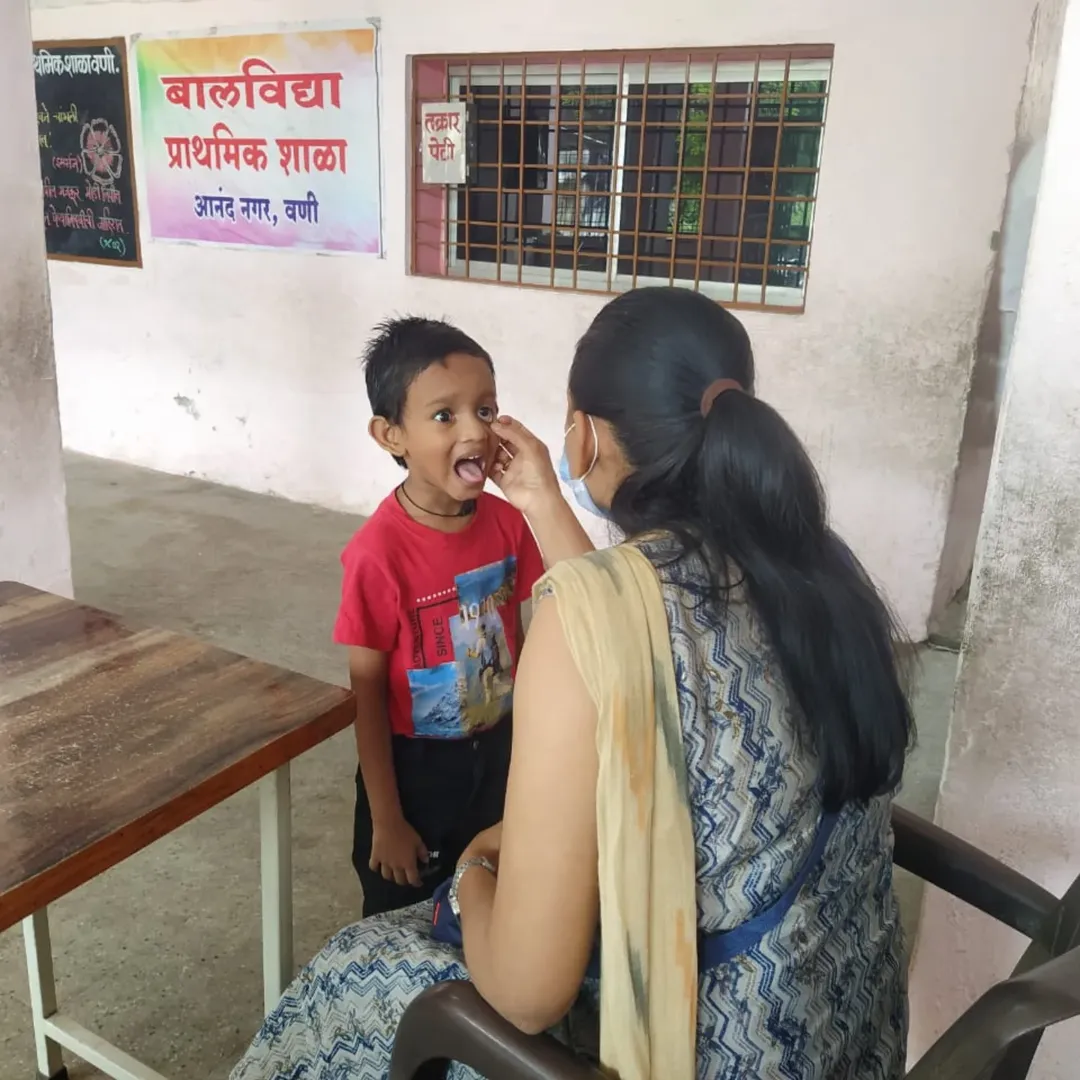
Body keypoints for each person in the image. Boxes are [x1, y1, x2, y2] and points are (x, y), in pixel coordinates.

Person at [233, 288, 913, 1080]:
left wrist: (478, 872)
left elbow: (528, 994)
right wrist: (542, 501)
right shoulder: (813, 565)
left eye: (486, 407)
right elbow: (610, 615)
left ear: (581, 434)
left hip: (695, 1038)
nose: (478, 428)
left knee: (350, 971)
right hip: (850, 1025)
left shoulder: (582, 615)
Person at [335, 316, 544, 917]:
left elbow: (520, 638)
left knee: (493, 899)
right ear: (390, 435)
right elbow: (367, 693)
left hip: (499, 752)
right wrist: (388, 819)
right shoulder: (379, 554)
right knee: (404, 912)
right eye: (444, 415)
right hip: (418, 773)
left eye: (486, 408)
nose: (475, 430)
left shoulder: (508, 525)